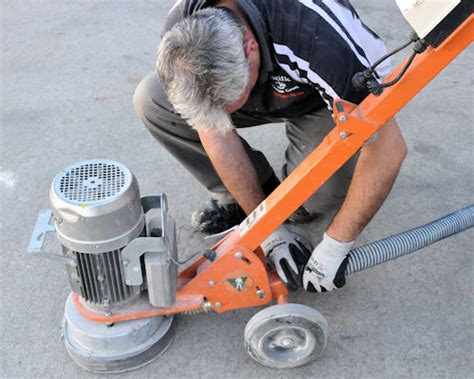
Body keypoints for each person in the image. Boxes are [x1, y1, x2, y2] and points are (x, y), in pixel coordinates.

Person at [133, 0, 407, 293]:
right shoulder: (183, 37)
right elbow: (215, 132)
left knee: (316, 197)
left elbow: (388, 150)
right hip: (259, 85)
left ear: (250, 48)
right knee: (152, 100)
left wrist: (336, 246)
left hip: (323, 98)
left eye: (224, 108)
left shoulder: (321, 41)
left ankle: (294, 204)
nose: (219, 120)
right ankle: (252, 198)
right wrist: (266, 228)